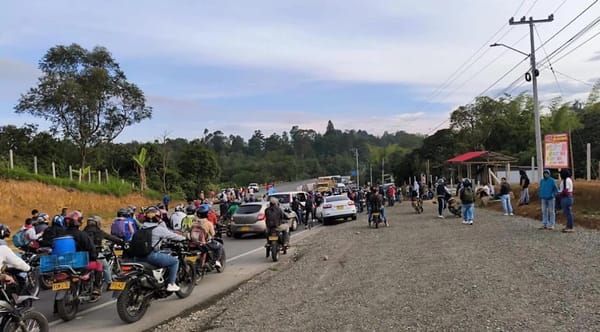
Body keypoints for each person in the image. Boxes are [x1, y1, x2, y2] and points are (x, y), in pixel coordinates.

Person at [140, 207, 186, 292]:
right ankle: (171, 284)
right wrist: (184, 238)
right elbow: (173, 235)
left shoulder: (141, 228)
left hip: (138, 256)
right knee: (174, 261)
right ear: (157, 218)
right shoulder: (158, 229)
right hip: (151, 256)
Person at [64, 211, 102, 295]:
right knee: (99, 265)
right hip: (79, 263)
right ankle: (96, 287)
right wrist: (94, 257)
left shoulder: (61, 234)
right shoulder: (82, 235)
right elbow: (90, 248)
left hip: (63, 263)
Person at [84, 216, 124, 292]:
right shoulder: (98, 232)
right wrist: (120, 241)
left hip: (84, 255)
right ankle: (109, 283)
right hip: (95, 253)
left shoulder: (84, 232)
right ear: (97, 223)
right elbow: (110, 237)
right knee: (105, 266)